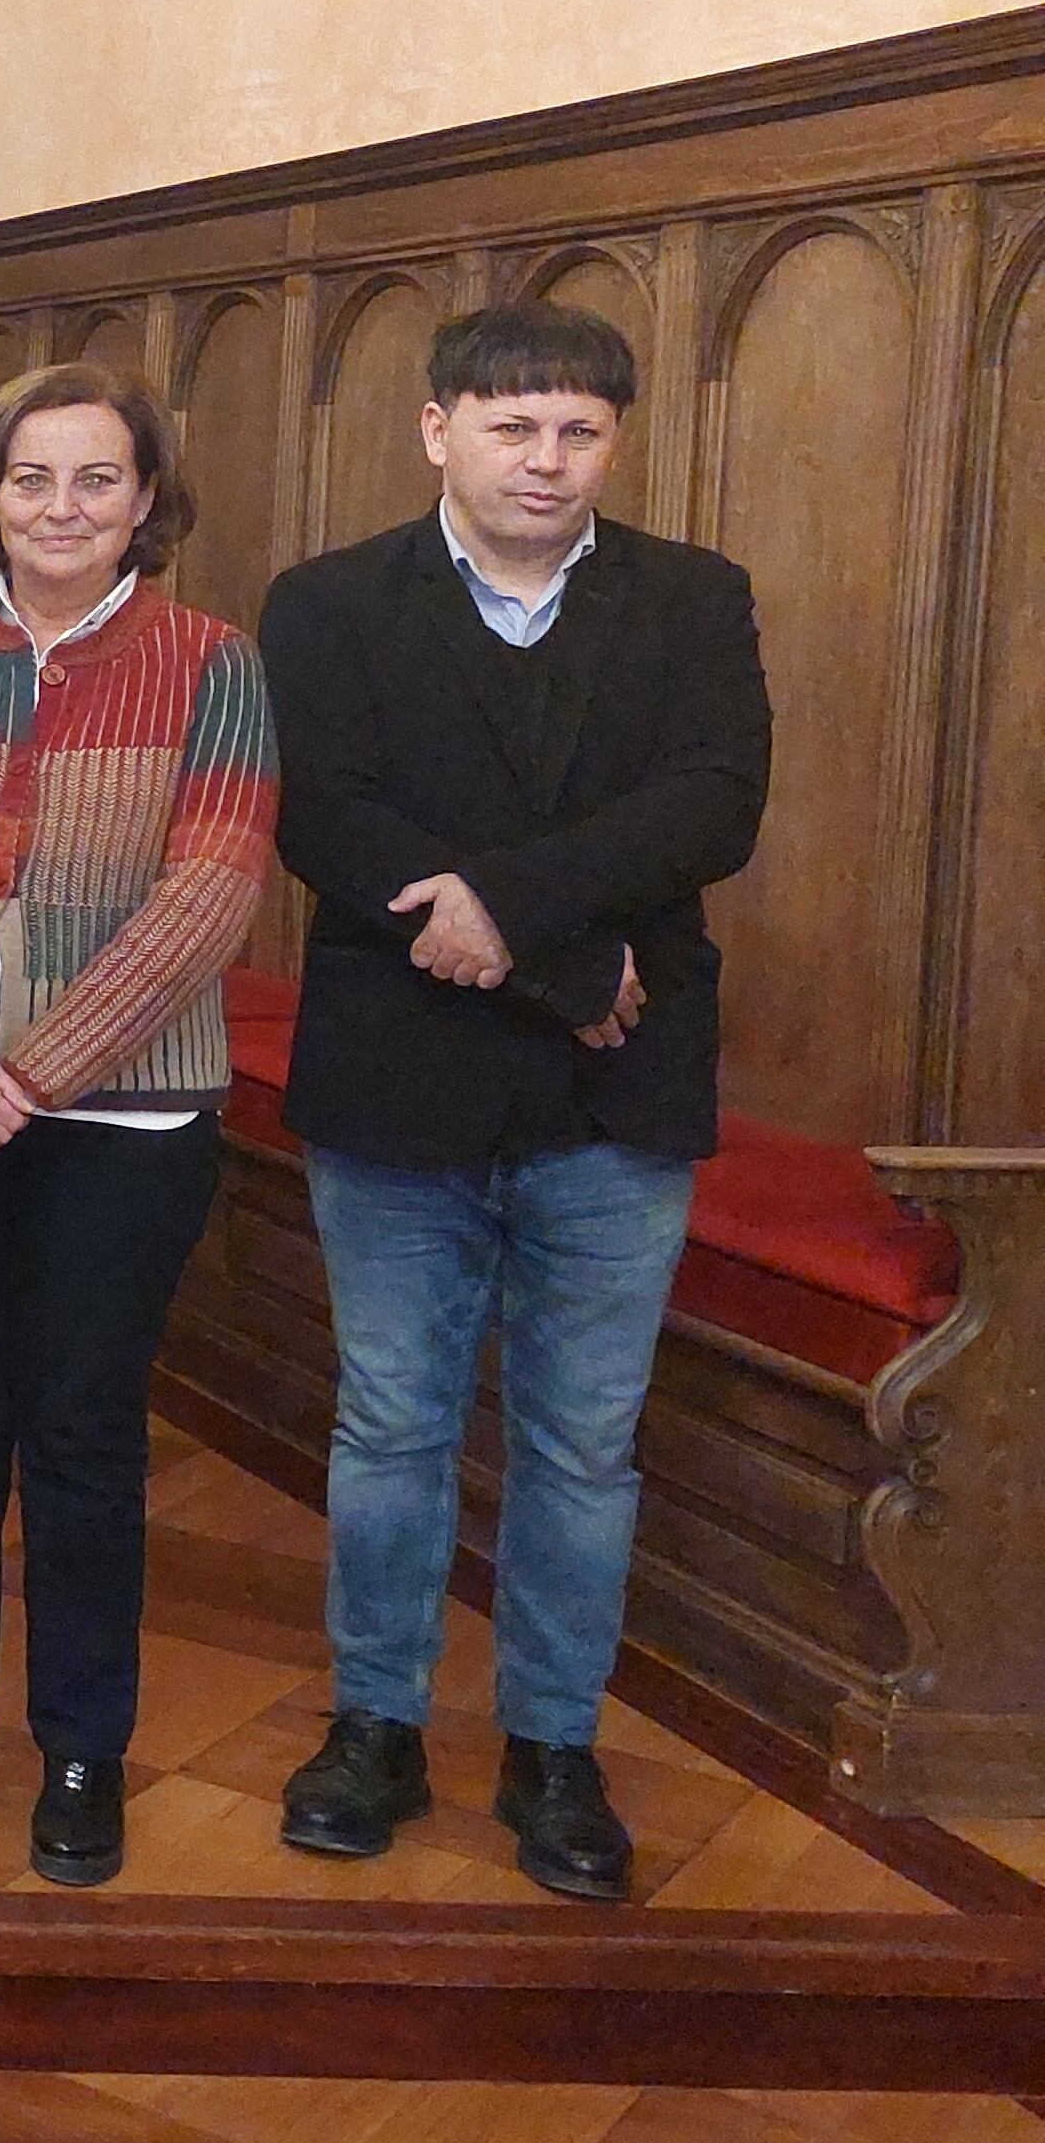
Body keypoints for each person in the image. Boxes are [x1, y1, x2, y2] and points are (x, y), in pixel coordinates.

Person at [258, 303, 768, 1901]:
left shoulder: (693, 600)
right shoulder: (329, 603)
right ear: (436, 432)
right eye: (512, 427)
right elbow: (328, 815)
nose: (546, 459)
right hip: (403, 1082)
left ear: (614, 442)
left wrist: (515, 916)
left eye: (578, 432)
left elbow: (714, 803)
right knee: (393, 1426)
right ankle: (376, 1728)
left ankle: (553, 1746)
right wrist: (553, 958)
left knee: (581, 1445)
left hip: (615, 1092)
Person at [0, 365, 275, 1887]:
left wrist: (26, 1075)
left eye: (98, 481)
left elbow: (214, 892)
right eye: (33, 480)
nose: (63, 510)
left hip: (126, 1125)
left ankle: (84, 1744)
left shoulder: (214, 663)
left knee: (83, 1432)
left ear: (146, 499)